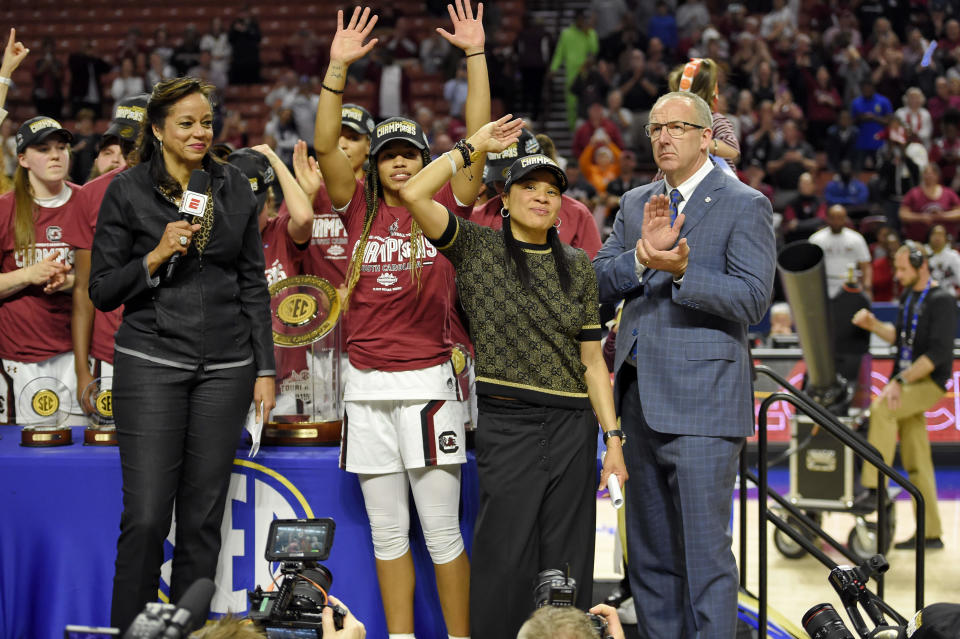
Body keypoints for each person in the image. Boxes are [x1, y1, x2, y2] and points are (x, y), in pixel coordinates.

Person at [399, 132, 627, 638]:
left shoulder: (578, 266)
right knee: (504, 558)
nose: (542, 196)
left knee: (567, 564)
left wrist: (612, 440)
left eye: (552, 188)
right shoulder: (475, 247)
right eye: (530, 185)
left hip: (573, 428)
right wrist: (470, 147)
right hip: (508, 423)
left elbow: (593, 361)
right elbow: (414, 193)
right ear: (505, 196)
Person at [312, 5, 487, 637]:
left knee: (440, 532)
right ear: (376, 166)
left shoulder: (442, 208)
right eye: (389, 156)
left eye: (411, 153)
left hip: (429, 388)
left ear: (424, 159)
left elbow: (480, 134)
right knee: (389, 534)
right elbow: (327, 143)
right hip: (365, 389)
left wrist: (475, 54)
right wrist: (337, 68)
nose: (401, 164)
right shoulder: (356, 209)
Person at [88, 77, 276, 632]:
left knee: (202, 521)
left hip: (228, 369)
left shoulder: (234, 187)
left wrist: (265, 368)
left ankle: (188, 632)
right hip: (150, 364)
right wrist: (155, 255)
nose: (200, 132)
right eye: (186, 123)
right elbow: (101, 290)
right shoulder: (124, 191)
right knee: (146, 517)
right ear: (157, 129)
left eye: (206, 122)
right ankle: (133, 630)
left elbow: (251, 285)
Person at [593, 91, 776, 639]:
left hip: (705, 408)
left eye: (677, 127)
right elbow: (597, 287)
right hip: (636, 407)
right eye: (655, 129)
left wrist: (680, 273)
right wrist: (642, 258)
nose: (664, 138)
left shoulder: (745, 203)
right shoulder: (634, 203)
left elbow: (752, 302)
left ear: (704, 137)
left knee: (704, 559)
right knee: (648, 563)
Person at [852, 243, 956, 550]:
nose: (897, 275)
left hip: (928, 383)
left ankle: (873, 485)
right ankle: (931, 533)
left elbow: (937, 355)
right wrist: (873, 324)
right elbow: (900, 338)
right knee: (917, 461)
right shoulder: (910, 296)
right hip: (910, 382)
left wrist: (898, 380)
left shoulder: (942, 300)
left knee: (882, 409)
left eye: (902, 269)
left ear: (920, 264)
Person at [68, 94, 149, 414]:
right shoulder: (91, 195)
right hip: (109, 352)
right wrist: (81, 370)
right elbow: (83, 290)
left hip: (176, 350)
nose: (128, 153)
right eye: (121, 143)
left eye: (134, 143)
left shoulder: (194, 190)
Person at [0, 117, 78, 422]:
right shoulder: (5, 209)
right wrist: (28, 275)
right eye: (43, 149)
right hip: (19, 357)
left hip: (77, 354)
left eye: (61, 147)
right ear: (23, 159)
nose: (56, 155)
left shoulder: (86, 202)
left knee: (77, 457)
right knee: (26, 458)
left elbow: (107, 278)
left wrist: (70, 281)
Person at [810, 205, 873, 298]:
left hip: (850, 283)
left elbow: (865, 265)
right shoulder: (816, 239)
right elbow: (810, 267)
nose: (836, 222)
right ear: (827, 218)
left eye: (840, 218)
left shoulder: (856, 238)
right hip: (825, 284)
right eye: (832, 218)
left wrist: (867, 287)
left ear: (845, 219)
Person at [926, 224, 960, 296]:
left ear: (946, 238)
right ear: (929, 236)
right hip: (926, 294)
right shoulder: (923, 253)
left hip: (948, 294)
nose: (937, 237)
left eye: (940, 234)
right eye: (934, 234)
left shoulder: (953, 256)